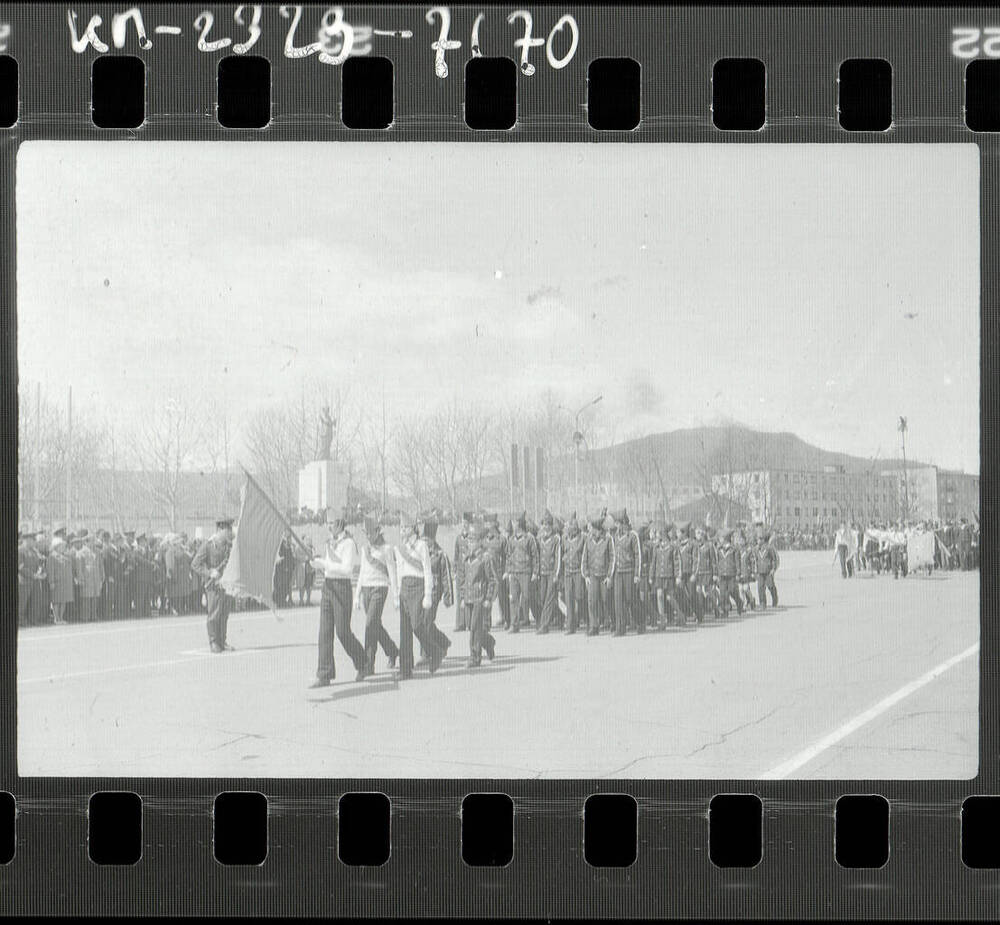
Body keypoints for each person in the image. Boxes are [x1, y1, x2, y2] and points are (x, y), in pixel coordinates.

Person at [309, 509, 368, 687]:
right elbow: (328, 568)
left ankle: (363, 662)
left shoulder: (348, 543)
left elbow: (346, 569)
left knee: (342, 632)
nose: (329, 527)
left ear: (340, 524)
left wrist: (324, 563)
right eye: (327, 523)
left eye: (332, 524)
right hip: (328, 587)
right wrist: (316, 564)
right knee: (324, 632)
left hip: (342, 588)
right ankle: (324, 673)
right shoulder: (330, 542)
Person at [394, 513, 445, 678]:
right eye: (401, 528)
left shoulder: (422, 546)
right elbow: (399, 570)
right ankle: (405, 669)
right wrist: (397, 593)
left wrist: (428, 594)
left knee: (416, 625)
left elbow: (427, 570)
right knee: (405, 630)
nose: (402, 531)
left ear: (413, 528)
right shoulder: (400, 547)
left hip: (418, 587)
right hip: (405, 588)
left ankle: (435, 651)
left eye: (405, 527)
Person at [354, 515, 399, 675]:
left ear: (377, 532)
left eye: (370, 533)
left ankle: (368, 664)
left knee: (370, 623)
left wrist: (395, 596)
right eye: (365, 533)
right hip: (366, 587)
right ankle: (392, 650)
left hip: (380, 588)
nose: (368, 536)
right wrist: (357, 594)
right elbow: (362, 572)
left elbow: (392, 572)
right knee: (374, 625)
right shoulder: (364, 549)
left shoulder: (386, 549)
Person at [192, 515, 235, 653]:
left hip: (226, 584)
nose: (230, 532)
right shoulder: (208, 545)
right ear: (220, 529)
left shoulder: (229, 545)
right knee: (214, 614)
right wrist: (209, 572)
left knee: (224, 613)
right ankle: (213, 641)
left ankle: (222, 641)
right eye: (228, 529)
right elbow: (195, 564)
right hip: (214, 586)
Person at [461, 522, 498, 668]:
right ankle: (488, 642)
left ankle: (475, 657)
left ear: (480, 541)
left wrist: (489, 598)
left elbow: (493, 580)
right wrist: (463, 597)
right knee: (472, 626)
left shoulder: (485, 558)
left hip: (480, 598)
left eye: (473, 540)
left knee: (475, 627)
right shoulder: (466, 557)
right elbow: (463, 579)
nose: (470, 543)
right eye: (469, 540)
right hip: (469, 597)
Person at [581, 512, 614, 636]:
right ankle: (594, 626)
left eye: (595, 530)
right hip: (593, 575)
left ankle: (612, 622)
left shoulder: (608, 539)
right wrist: (586, 575)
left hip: (604, 575)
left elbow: (612, 557)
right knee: (592, 601)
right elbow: (584, 557)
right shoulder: (588, 540)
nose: (593, 532)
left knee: (606, 600)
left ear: (600, 530)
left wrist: (609, 576)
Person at [504, 512, 537, 633]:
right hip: (514, 572)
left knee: (527, 597)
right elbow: (508, 556)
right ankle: (514, 624)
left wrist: (535, 572)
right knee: (513, 598)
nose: (513, 524)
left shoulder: (529, 538)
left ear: (520, 524)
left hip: (526, 572)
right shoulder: (511, 539)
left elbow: (535, 556)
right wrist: (508, 571)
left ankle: (537, 618)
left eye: (515, 522)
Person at [611, 509, 641, 635]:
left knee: (631, 599)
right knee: (618, 601)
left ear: (623, 523)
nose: (616, 526)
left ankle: (640, 622)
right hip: (618, 572)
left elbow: (637, 555)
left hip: (629, 571)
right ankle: (620, 628)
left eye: (617, 524)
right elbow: (613, 556)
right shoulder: (615, 536)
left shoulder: (633, 535)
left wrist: (637, 574)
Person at [536, 510, 562, 634]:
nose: (545, 527)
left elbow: (558, 557)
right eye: (543, 524)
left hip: (552, 572)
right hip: (542, 572)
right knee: (542, 598)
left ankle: (544, 625)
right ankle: (560, 616)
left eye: (547, 524)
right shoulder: (540, 538)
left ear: (551, 526)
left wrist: (556, 574)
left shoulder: (556, 539)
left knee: (549, 598)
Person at [561, 516, 586, 634]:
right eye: (570, 528)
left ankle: (586, 620)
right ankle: (570, 626)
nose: (572, 530)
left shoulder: (583, 539)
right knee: (569, 598)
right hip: (567, 572)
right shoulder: (564, 539)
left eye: (575, 528)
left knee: (580, 597)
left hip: (578, 572)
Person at [47, 534, 75, 625]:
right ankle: (56, 618)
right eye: (62, 546)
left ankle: (61, 617)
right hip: (57, 582)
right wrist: (51, 582)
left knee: (63, 600)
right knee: (56, 600)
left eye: (64, 546)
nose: (63, 548)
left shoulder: (66, 556)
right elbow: (50, 570)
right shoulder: (52, 557)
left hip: (65, 582)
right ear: (56, 547)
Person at [716, 528, 742, 617]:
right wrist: (716, 573)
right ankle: (725, 610)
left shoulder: (734, 549)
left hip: (731, 574)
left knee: (732, 591)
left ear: (726, 538)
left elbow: (738, 562)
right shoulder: (719, 549)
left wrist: (738, 573)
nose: (719, 539)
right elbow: (717, 562)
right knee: (723, 593)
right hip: (722, 574)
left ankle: (739, 602)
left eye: (721, 538)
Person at [453, 513, 473, 631]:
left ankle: (470, 623)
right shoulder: (458, 538)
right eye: (463, 522)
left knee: (470, 595)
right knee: (460, 596)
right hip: (461, 571)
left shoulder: (473, 537)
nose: (464, 525)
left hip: (470, 570)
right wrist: (455, 570)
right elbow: (456, 555)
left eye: (466, 523)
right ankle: (460, 623)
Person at [756, 529, 779, 608]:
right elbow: (755, 559)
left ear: (763, 540)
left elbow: (774, 559)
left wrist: (773, 569)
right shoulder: (757, 549)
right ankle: (762, 603)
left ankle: (775, 599)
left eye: (759, 539)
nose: (758, 541)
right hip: (760, 571)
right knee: (760, 587)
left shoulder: (769, 548)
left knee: (770, 586)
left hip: (768, 571)